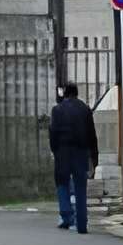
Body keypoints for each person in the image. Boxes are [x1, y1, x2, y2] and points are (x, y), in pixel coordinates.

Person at [47, 81, 98, 235]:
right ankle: (82, 224)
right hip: (81, 152)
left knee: (62, 183)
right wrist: (94, 157)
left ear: (65, 93)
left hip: (62, 152)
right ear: (76, 93)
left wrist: (54, 150)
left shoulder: (57, 110)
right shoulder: (85, 109)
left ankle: (66, 216)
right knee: (80, 187)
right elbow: (92, 135)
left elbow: (53, 132)